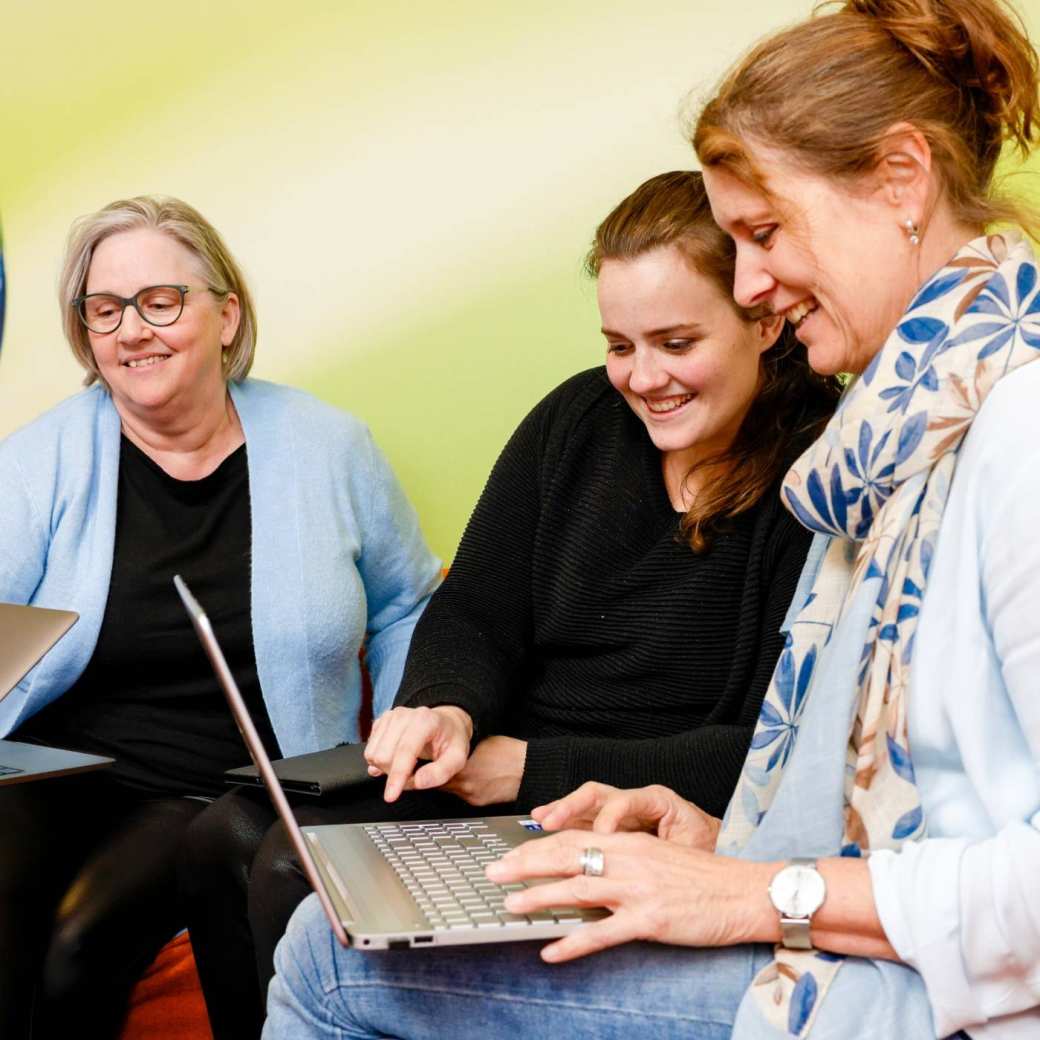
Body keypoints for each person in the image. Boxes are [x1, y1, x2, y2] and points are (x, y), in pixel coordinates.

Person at [264, 0, 1040, 1037]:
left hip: (917, 997)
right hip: (860, 945)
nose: (755, 283)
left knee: (329, 955)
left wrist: (750, 892)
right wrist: (712, 838)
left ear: (900, 179)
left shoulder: (1013, 435)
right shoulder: (891, 443)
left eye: (763, 234)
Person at [180, 170, 841, 1037]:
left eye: (676, 343)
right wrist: (442, 707)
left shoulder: (820, 476)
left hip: (625, 810)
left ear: (763, 318)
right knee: (225, 837)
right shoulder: (576, 422)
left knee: (285, 871)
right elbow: (474, 612)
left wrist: (528, 769)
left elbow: (769, 750)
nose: (643, 379)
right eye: (620, 345)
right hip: (495, 777)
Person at [0, 195, 442, 1039]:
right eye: (105, 310)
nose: (133, 330)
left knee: (78, 943)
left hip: (202, 791)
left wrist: (401, 725)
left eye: (160, 301)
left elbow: (407, 605)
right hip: (54, 773)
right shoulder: (37, 462)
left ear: (226, 314)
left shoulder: (328, 447)